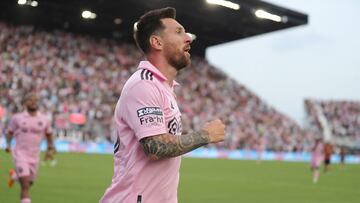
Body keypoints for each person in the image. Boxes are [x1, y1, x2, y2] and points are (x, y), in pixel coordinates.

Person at [100, 7, 225, 203]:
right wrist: (206, 135)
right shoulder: (144, 84)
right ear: (156, 42)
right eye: (178, 32)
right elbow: (155, 147)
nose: (188, 38)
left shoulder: (164, 87)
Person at [5, 93, 55, 203]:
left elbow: (49, 134)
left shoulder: (44, 119)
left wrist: (50, 147)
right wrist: (8, 144)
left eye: (35, 100)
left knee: (29, 182)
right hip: (20, 154)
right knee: (25, 186)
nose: (33, 102)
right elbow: (9, 132)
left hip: (34, 156)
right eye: (30, 100)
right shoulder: (17, 118)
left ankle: (14, 176)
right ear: (25, 103)